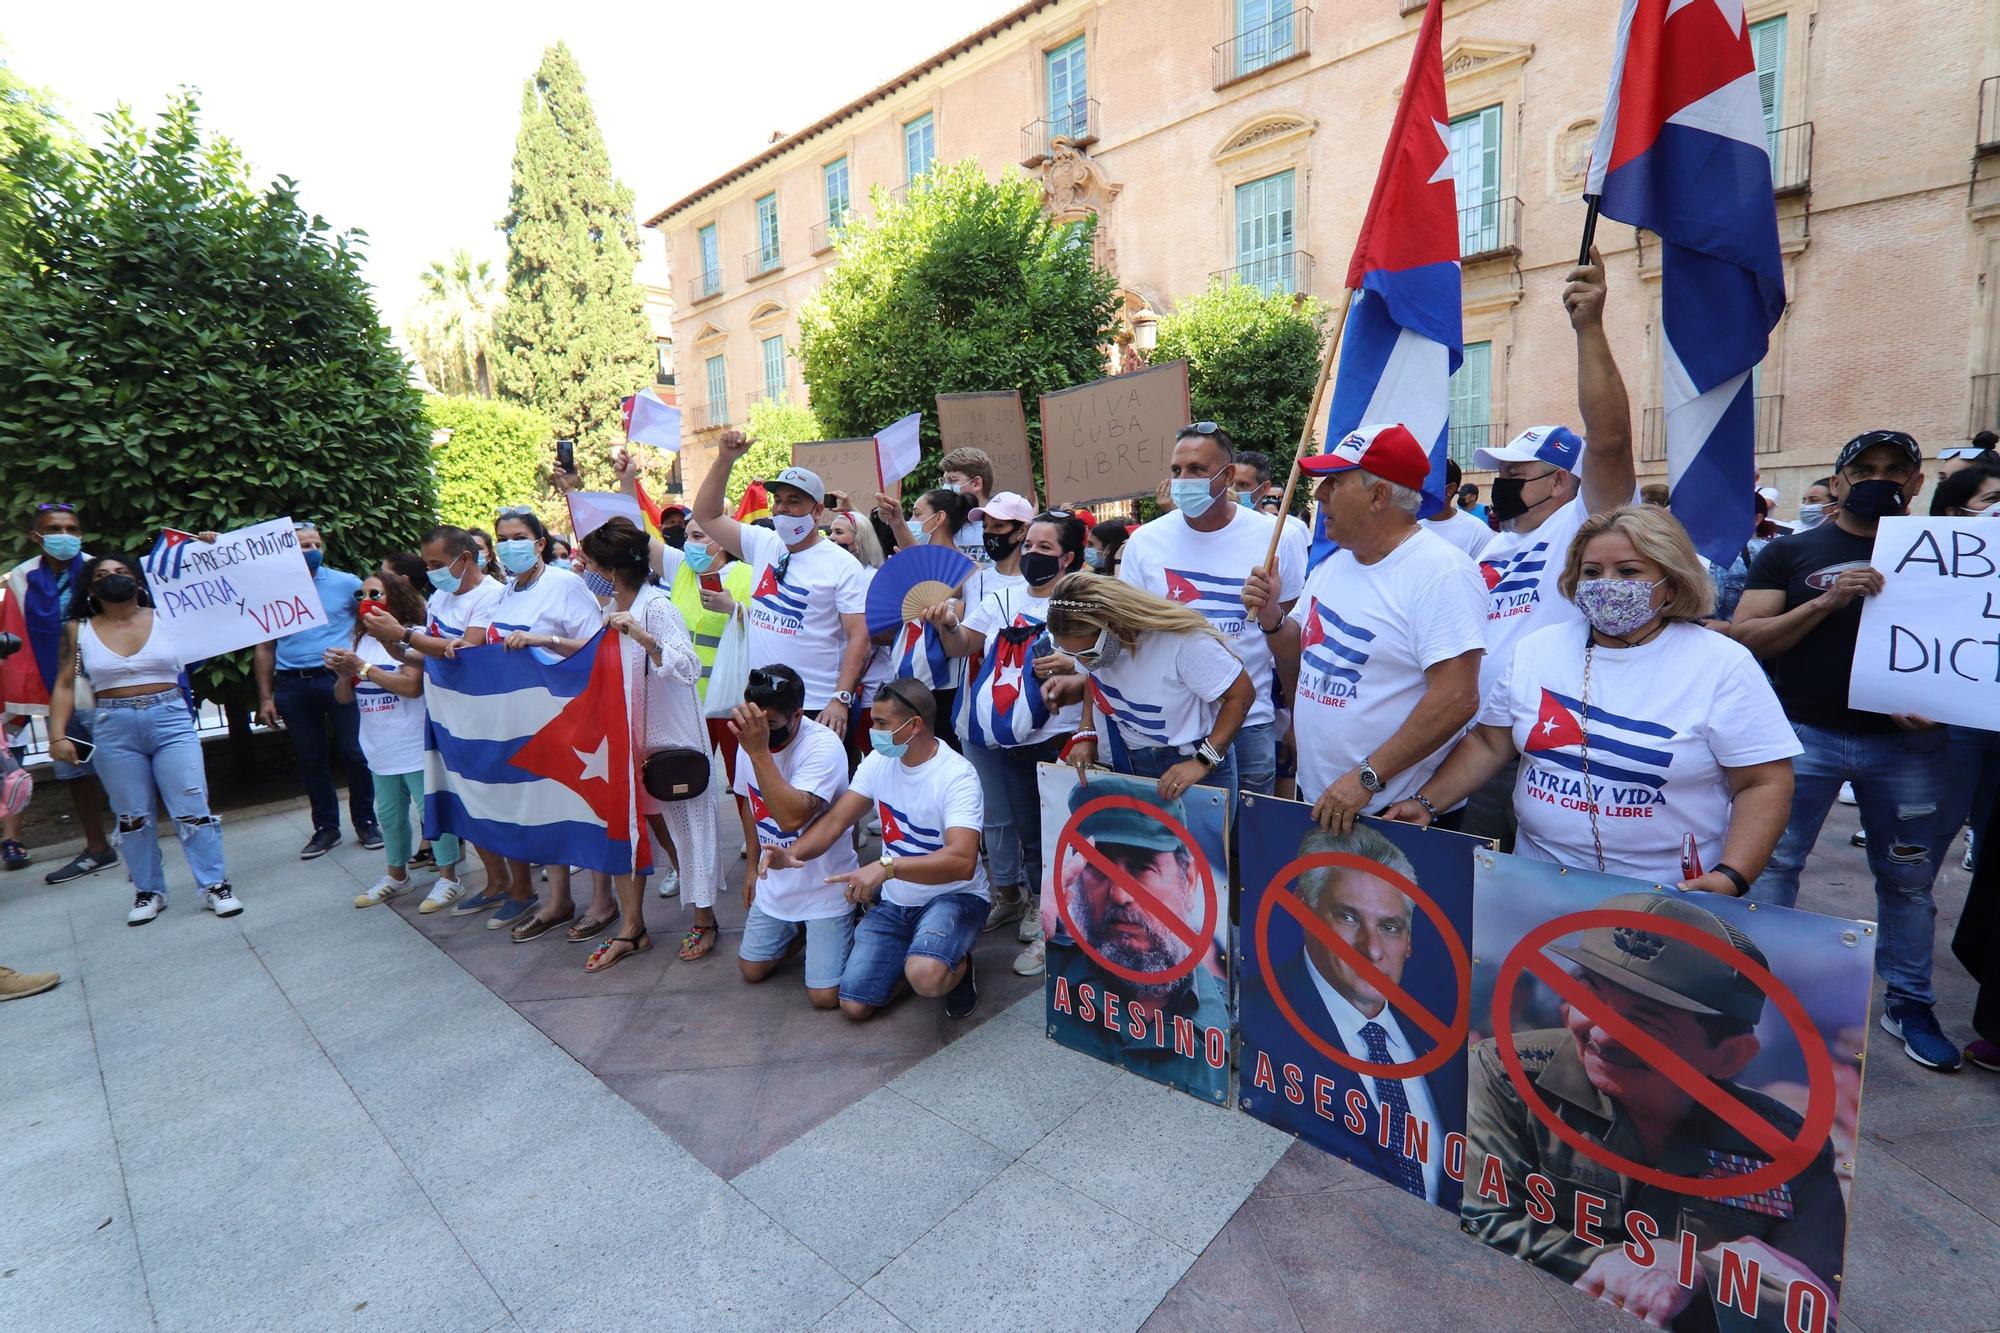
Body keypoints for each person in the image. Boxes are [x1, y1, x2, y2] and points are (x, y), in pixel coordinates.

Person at [1463, 892, 1845, 1331]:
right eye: (1590, 1000)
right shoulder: (1507, 1076)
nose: (1603, 1034)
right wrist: (1618, 1266)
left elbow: (1813, 1308)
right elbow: (1484, 1216)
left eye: (1644, 1024)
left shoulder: (1786, 1152)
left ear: (1730, 1055)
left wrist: (1701, 1273)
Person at [1385, 506, 1798, 892]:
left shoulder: (1722, 665)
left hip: (1667, 892)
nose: (1607, 585)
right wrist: (1427, 802)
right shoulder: (1538, 649)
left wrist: (1732, 875)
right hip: (1536, 879)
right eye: (1592, 571)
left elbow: (1763, 780)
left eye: (1628, 571)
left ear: (1671, 583)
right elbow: (1490, 742)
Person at [1733, 429, 1960, 1070]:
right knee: (1774, 864)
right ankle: (1749, 993)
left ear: (1918, 484)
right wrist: (1829, 601)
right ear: (1837, 483)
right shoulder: (1792, 554)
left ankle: (1910, 1001)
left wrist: (1938, 707)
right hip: (1803, 737)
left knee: (1910, 880)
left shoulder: (1953, 556)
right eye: (1864, 468)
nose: (1878, 478)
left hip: (1911, 750)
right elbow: (1748, 638)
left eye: (1895, 469)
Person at [1459, 250, 1637, 847]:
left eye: (1516, 472)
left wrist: (1589, 328)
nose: (1500, 482)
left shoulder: (1584, 527)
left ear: (1561, 482)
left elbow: (1609, 440)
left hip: (1559, 747)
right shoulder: (1489, 548)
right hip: (1482, 748)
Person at [1245, 423, 1487, 834]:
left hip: (1392, 815)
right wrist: (1272, 617)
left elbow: (1458, 697)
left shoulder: (1441, 573)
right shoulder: (1335, 561)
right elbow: (1302, 653)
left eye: (1334, 483)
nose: (1319, 495)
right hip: (1326, 796)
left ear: (1379, 496)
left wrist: (1365, 778)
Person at [1246, 825, 1462, 1204]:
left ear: (1409, 942)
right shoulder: (1257, 1016)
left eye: (1390, 927)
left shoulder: (1446, 1047)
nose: (1373, 950)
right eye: (1348, 918)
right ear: (1303, 910)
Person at [757, 678, 986, 1021]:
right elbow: (836, 821)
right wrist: (793, 854)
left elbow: (963, 861)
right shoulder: (879, 763)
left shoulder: (957, 776)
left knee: (926, 975)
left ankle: (956, 963)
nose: (872, 730)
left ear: (915, 726)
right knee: (854, 1005)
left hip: (954, 897)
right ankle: (920, 953)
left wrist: (887, 867)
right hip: (897, 900)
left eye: (881, 723)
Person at [926, 509, 1087, 976]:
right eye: (1030, 545)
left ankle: (1068, 927)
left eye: (1046, 548)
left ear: (1069, 557)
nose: (1033, 554)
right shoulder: (1001, 599)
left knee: (1069, 835)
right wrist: (946, 624)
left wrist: (1074, 677)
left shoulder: (1083, 601)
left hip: (1063, 738)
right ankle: (1043, 921)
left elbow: (1108, 666)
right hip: (1012, 740)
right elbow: (962, 647)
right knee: (1032, 836)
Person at [1120, 422, 1305, 797]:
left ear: (1228, 475)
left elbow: (1290, 644)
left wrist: (1296, 722)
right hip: (1172, 730)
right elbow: (1129, 635)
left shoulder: (1277, 537)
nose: (1183, 480)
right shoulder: (1145, 542)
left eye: (1197, 470)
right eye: (1177, 470)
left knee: (1247, 850)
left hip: (1250, 725)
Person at [49, 555, 236, 925]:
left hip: (170, 718)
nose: (112, 579)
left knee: (191, 803)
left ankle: (214, 884)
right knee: (131, 814)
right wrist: (56, 735)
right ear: (90, 587)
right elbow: (64, 684)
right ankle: (148, 890)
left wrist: (208, 549)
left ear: (138, 580)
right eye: (102, 575)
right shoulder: (78, 629)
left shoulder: (169, 617)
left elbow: (220, 601)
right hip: (112, 726)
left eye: (121, 573)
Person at [578, 517, 718, 968]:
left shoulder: (655, 607)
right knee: (637, 831)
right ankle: (632, 928)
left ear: (614, 570)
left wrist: (645, 639)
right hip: (630, 738)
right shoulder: (609, 608)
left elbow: (688, 667)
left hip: (670, 738)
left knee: (688, 829)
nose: (586, 572)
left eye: (592, 565)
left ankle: (705, 920)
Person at [1046, 773, 1230, 1090]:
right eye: (1098, 867)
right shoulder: (1056, 977)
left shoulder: (1228, 1019)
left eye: (1142, 868)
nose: (1119, 894)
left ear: (1188, 880)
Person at [482, 504, 612, 938]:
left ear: (539, 543)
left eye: (519, 536)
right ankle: (558, 900)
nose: (509, 545)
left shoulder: (566, 585)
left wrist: (543, 640)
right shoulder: (507, 590)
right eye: (502, 537)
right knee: (547, 805)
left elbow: (595, 647)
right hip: (528, 720)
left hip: (570, 711)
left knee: (581, 804)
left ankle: (602, 900)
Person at [693, 431, 869, 743]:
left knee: (811, 791)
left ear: (817, 511)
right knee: (759, 788)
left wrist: (840, 699)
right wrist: (725, 460)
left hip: (813, 705)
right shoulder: (763, 542)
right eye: (778, 500)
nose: (782, 509)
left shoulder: (842, 565)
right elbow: (706, 515)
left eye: (794, 501)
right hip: (759, 701)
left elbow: (859, 636)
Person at [1046, 574, 1253, 805]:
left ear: (1113, 624)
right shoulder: (1088, 645)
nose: (1083, 663)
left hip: (1191, 760)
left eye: (1088, 655)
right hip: (1129, 761)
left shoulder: (1182, 642)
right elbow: (1091, 679)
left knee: (1198, 843)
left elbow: (1241, 695)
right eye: (1073, 655)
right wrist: (1086, 732)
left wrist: (1203, 761)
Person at [328, 570, 464, 913]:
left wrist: (362, 668)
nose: (366, 602)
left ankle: (449, 878)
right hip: (379, 747)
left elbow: (411, 686)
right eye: (361, 596)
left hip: (414, 744)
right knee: (388, 816)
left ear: (395, 598)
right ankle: (396, 875)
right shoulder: (359, 640)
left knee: (431, 811)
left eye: (375, 594)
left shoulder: (413, 635)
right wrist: (346, 673)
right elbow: (344, 697)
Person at [1, 502, 117, 883]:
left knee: (125, 766)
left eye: (72, 528)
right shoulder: (20, 579)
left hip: (108, 686)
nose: (65, 536)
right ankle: (98, 848)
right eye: (55, 528)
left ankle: (138, 838)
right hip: (60, 693)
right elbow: (16, 643)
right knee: (74, 771)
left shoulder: (100, 569)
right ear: (37, 536)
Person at [253, 520, 381, 860]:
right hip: (292, 684)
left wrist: (359, 662)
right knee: (311, 759)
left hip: (338, 680)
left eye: (316, 545)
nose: (312, 552)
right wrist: (266, 697)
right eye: (303, 547)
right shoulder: (271, 590)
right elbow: (264, 647)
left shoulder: (346, 583)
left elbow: (368, 622)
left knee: (355, 752)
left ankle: (366, 821)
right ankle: (326, 829)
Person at [732, 665, 857, 1006]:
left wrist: (758, 751)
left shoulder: (823, 747)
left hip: (823, 886)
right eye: (755, 722)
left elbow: (790, 818)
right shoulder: (751, 737)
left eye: (769, 725)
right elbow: (750, 802)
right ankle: (800, 931)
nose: (759, 731)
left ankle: (849, 923)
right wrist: (751, 868)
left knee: (824, 996)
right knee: (751, 969)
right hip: (776, 882)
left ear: (798, 715)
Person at [1927, 459, 2000, 877]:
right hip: (1957, 725)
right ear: (1956, 512)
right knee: (1934, 831)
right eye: (1992, 500)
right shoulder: (1923, 565)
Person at [874, 487, 978, 750]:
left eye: (917, 514)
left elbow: (929, 574)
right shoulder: (915, 561)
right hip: (906, 669)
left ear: (939, 518)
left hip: (947, 680)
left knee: (941, 748)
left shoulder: (968, 567)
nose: (912, 519)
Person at [1231, 448, 1312, 547]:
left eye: (1243, 484)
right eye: (1229, 483)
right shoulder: (1211, 528)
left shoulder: (1285, 535)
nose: (1232, 490)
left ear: (1264, 488)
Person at [1426, 458, 1497, 559]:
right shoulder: (1405, 524)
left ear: (1449, 489)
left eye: (1426, 481)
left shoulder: (1477, 531)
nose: (1418, 486)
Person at [939, 446, 997, 566]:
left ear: (976, 483)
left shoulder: (1001, 525)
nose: (946, 487)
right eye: (943, 481)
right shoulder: (942, 523)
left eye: (952, 480)